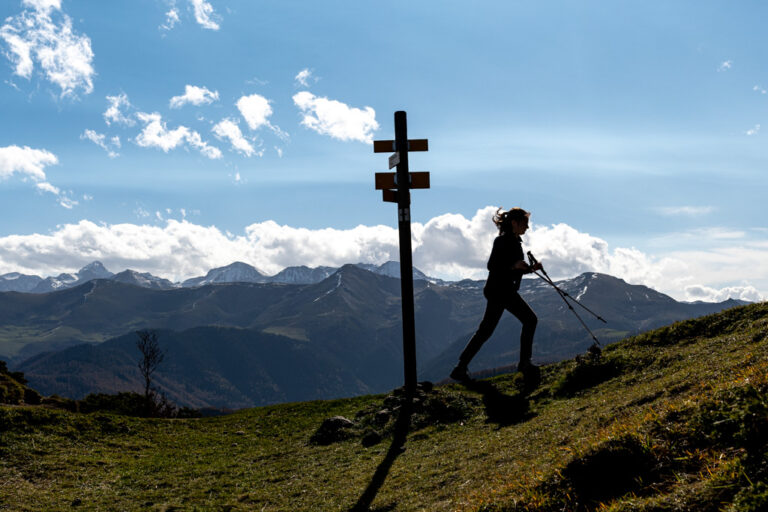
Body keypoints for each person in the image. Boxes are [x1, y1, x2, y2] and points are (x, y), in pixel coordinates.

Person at [450, 207, 542, 383]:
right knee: (530, 320)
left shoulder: (514, 241)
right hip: (501, 291)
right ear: (514, 223)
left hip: (498, 290)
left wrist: (530, 269)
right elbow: (493, 266)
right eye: (525, 223)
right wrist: (514, 267)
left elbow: (510, 268)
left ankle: (460, 367)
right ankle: (524, 363)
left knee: (486, 330)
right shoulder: (502, 241)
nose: (527, 227)